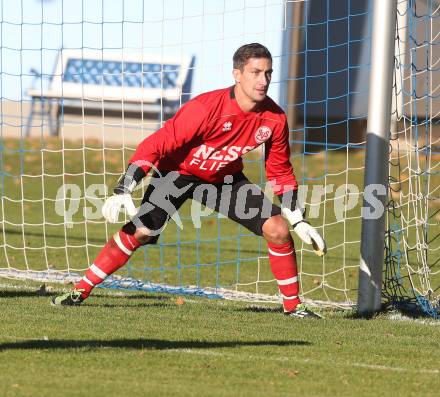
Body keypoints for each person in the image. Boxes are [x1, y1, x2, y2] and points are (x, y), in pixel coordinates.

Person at [52, 43, 326, 318]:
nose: (263, 80)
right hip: (176, 174)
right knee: (141, 232)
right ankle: (80, 290)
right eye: (256, 72)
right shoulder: (205, 108)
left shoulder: (275, 118)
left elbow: (279, 170)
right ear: (237, 74)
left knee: (277, 228)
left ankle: (294, 307)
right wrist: (126, 186)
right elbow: (157, 143)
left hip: (222, 180)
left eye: (268, 73)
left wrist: (297, 219)